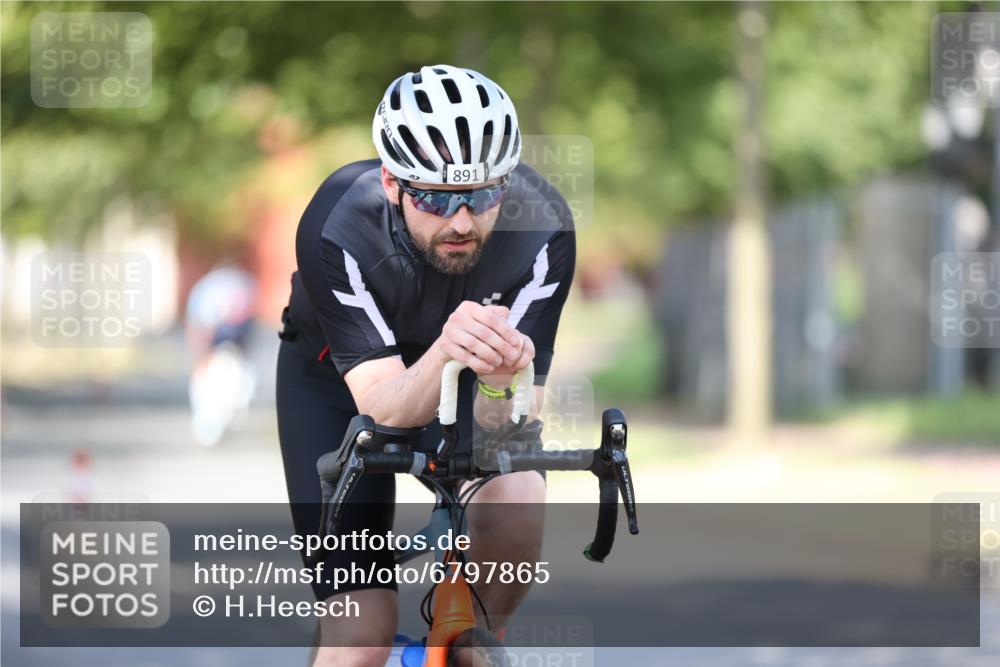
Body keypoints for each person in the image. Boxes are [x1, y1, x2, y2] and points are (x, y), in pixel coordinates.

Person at [276, 64, 575, 667]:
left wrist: (498, 383)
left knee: (516, 497)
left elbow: (509, 427)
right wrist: (445, 349)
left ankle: (469, 643)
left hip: (463, 381)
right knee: (362, 632)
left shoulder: (543, 227)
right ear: (393, 184)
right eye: (436, 198)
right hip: (340, 386)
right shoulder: (339, 223)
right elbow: (382, 405)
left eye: (483, 195)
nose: (461, 221)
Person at [185, 264, 258, 446]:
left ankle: (220, 423)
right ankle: (215, 425)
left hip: (226, 344)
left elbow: (199, 324)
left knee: (230, 385)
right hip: (224, 343)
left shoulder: (210, 287)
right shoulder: (238, 285)